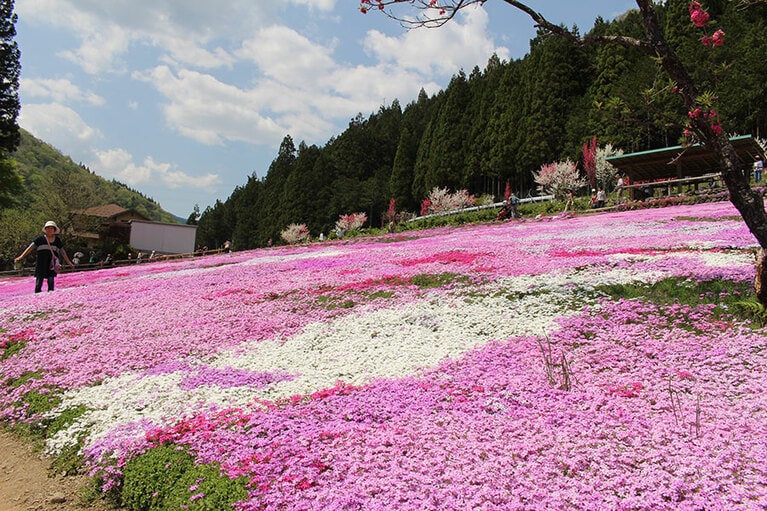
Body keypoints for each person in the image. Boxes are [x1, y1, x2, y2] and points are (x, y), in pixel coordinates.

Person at [13, 221, 74, 293]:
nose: (50, 230)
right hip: (41, 263)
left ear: (54, 230)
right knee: (39, 281)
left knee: (51, 281)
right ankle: (37, 295)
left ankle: (50, 296)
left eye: (51, 228)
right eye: (48, 228)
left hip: (51, 264)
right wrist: (21, 257)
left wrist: (69, 262)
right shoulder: (39, 239)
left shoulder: (57, 241)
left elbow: (63, 252)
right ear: (45, 229)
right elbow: (30, 248)